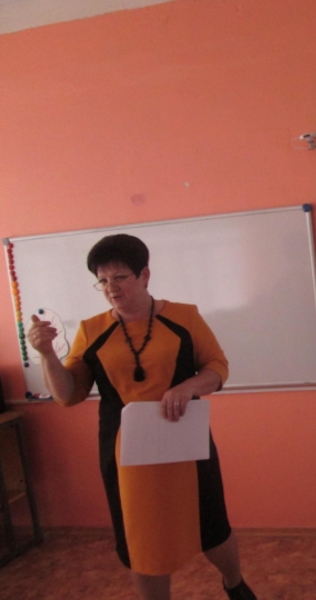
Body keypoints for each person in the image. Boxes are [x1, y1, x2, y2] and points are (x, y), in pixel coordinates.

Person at [26, 234, 257, 600]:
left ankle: (234, 583)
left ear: (144, 275)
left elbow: (217, 367)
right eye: (103, 280)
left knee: (210, 523)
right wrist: (47, 355)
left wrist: (188, 387)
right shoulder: (91, 330)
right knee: (140, 537)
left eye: (120, 277)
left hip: (185, 442)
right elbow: (68, 395)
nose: (111, 288)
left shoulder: (184, 317)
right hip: (125, 454)